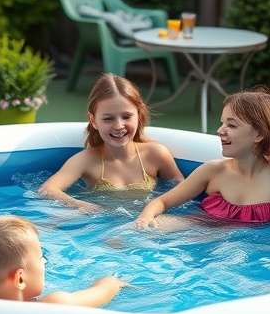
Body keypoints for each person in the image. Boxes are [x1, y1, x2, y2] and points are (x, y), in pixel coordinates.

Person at [136, 86, 270, 228]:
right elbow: (162, 202)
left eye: (231, 125)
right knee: (131, 236)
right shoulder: (213, 170)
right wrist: (145, 218)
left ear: (259, 134)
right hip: (200, 234)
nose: (220, 131)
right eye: (222, 123)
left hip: (258, 255)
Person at [39, 73, 183, 213]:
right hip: (102, 226)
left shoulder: (155, 154)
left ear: (138, 116)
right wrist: (82, 205)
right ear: (93, 120)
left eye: (126, 117)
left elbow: (184, 190)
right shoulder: (86, 160)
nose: (119, 125)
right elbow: (47, 190)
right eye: (108, 119)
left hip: (144, 224)